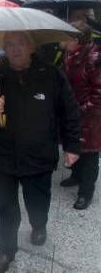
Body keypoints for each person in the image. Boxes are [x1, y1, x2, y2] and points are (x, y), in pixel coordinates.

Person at [0, 31, 80, 273]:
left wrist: (73, 146)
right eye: (9, 45)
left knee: (37, 200)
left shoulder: (51, 75)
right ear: (3, 49)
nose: (15, 49)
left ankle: (38, 224)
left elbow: (70, 111)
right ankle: (6, 250)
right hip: (3, 156)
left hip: (39, 156)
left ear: (31, 47)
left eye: (20, 43)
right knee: (5, 206)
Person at [60, 22, 101, 210]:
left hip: (90, 116)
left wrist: (83, 109)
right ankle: (75, 176)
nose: (60, 40)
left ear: (75, 39)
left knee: (90, 154)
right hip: (74, 113)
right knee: (74, 146)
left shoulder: (94, 58)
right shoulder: (69, 54)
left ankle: (86, 192)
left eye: (64, 36)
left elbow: (99, 93)